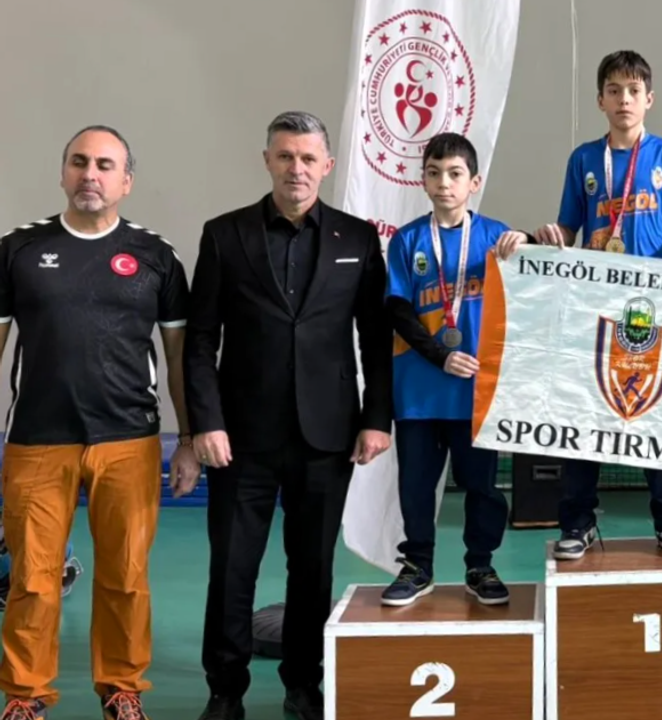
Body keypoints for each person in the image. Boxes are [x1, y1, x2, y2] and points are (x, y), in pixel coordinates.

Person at [184, 111, 392, 720]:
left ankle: (304, 683)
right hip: (239, 437)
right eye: (284, 156)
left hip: (327, 436)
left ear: (326, 166)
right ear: (267, 161)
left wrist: (377, 418)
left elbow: (376, 339)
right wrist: (206, 423)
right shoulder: (223, 235)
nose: (295, 169)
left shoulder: (358, 239)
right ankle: (225, 690)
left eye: (307, 158)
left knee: (313, 568)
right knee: (232, 568)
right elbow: (200, 340)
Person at [0, 125, 200, 720]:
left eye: (105, 165)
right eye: (80, 162)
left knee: (125, 576)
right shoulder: (17, 250)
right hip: (37, 440)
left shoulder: (156, 257)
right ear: (63, 173)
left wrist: (188, 441)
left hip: (129, 442)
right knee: (32, 579)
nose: (91, 174)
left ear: (126, 181)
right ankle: (25, 696)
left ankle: (121, 687)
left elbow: (180, 360)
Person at [514, 49, 662, 561]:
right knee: (586, 415)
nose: (624, 99)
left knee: (657, 413)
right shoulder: (584, 160)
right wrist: (550, 235)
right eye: (614, 91)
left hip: (654, 306)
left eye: (633, 91)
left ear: (649, 99)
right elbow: (569, 228)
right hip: (596, 307)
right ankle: (577, 523)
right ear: (600, 100)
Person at [381, 132, 529, 607]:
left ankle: (480, 565)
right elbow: (398, 309)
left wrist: (527, 243)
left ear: (474, 182)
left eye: (455, 173)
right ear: (422, 180)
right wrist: (439, 355)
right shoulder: (408, 240)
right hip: (419, 391)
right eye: (434, 173)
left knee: (482, 486)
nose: (444, 183)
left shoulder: (495, 237)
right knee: (416, 486)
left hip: (476, 394)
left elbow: (532, 283)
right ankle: (417, 565)